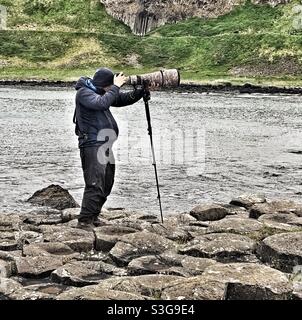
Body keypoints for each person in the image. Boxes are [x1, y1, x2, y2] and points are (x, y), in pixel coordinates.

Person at [73, 67, 146, 230]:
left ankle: (94, 216)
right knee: (95, 183)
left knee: (107, 182)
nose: (111, 89)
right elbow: (102, 103)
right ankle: (84, 221)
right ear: (104, 84)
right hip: (92, 143)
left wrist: (141, 91)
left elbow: (120, 99)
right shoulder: (84, 93)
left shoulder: (98, 92)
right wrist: (116, 86)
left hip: (104, 145)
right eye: (110, 86)